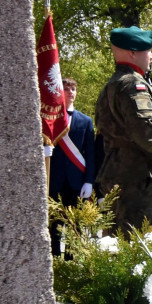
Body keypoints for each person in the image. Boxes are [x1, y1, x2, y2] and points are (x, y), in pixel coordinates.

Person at [94, 26, 152, 232]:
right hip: (138, 179)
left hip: (117, 172)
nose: (151, 56)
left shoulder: (112, 85)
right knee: (139, 245)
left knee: (115, 244)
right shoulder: (134, 85)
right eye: (148, 51)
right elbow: (145, 130)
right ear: (133, 52)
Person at [48, 78, 99, 256]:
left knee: (75, 226)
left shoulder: (85, 121)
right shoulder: (50, 119)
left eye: (73, 89)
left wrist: (89, 181)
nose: (71, 92)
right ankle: (53, 261)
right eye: (67, 89)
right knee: (54, 225)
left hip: (77, 181)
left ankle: (71, 264)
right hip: (54, 179)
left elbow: (91, 154)